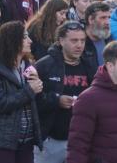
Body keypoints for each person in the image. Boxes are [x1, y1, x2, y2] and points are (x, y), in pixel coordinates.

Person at [34, 21, 97, 163]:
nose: (79, 45)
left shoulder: (90, 65)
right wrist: (57, 100)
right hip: (50, 140)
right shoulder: (44, 65)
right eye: (74, 40)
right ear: (61, 41)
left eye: (82, 40)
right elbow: (32, 99)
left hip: (81, 139)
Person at [0, 20, 42, 163]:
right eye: (25, 37)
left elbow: (34, 102)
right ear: (13, 41)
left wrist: (39, 88)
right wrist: (29, 91)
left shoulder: (29, 66)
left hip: (26, 139)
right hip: (3, 140)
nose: (30, 41)